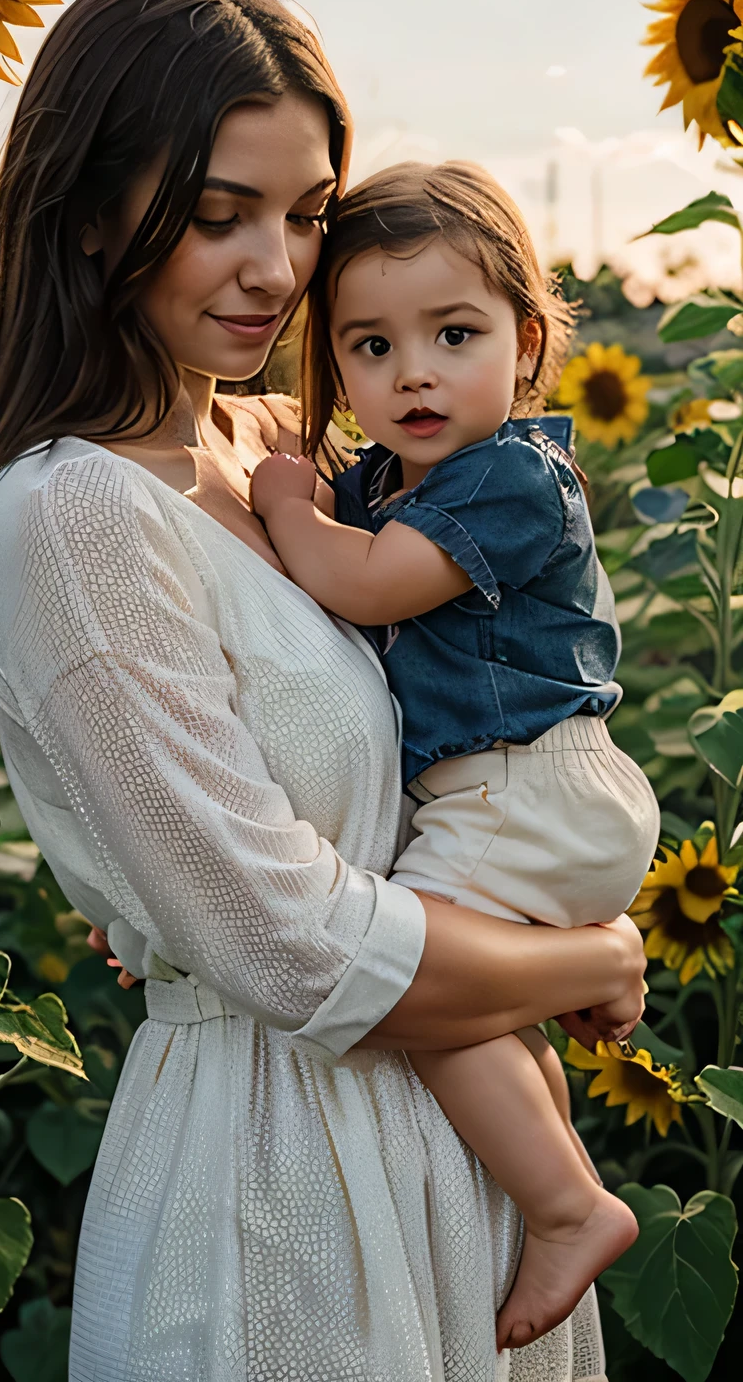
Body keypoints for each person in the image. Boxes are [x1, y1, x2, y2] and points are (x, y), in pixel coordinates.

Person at [0, 0, 646, 1380]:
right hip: (279, 1183)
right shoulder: (73, 513)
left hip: (461, 1162)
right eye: (217, 213)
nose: (279, 268)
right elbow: (288, 945)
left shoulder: (281, 450)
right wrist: (591, 958)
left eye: (306, 216)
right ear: (91, 207)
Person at [251, 159, 660, 1350]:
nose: (413, 372)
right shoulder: (399, 476)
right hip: (517, 787)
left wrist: (285, 508)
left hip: (527, 782)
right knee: (480, 1015)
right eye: (370, 347)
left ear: (527, 344)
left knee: (407, 986)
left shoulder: (511, 478)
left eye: (455, 333)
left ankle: (568, 1204)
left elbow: (370, 582)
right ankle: (562, 1180)